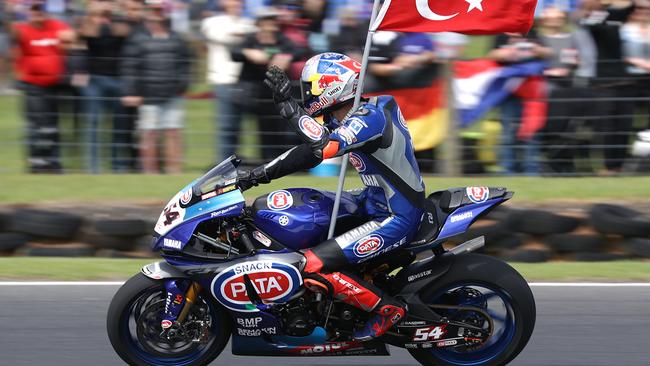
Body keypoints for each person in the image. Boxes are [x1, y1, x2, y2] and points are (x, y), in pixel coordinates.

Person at [238, 53, 426, 341]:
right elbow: (309, 153)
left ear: (332, 87)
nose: (307, 95)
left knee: (309, 264)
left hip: (395, 215)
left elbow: (325, 147)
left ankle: (387, 309)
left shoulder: (370, 117)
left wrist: (289, 108)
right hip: (372, 201)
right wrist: (256, 176)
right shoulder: (352, 116)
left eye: (310, 88)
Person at [120, 2, 191, 174]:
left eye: (160, 10)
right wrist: (131, 92)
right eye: (153, 10)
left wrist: (182, 86)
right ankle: (150, 173)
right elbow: (129, 67)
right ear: (147, 13)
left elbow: (185, 65)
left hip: (172, 94)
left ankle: (174, 172)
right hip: (148, 95)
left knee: (173, 133)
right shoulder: (137, 39)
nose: (156, 14)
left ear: (166, 13)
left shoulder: (176, 38)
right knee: (149, 134)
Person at [11, 2, 72, 173]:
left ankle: (53, 163)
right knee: (37, 127)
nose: (38, 13)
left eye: (41, 10)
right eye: (34, 10)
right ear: (28, 13)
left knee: (53, 127)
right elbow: (13, 34)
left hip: (55, 85)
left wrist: (70, 38)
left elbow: (69, 38)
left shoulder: (57, 26)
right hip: (33, 86)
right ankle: (37, 165)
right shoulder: (21, 29)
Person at [230, 8, 294, 162]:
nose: (270, 24)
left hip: (276, 92)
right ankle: (259, 162)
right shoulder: (251, 39)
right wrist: (248, 53)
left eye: (272, 20)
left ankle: (278, 162)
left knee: (278, 129)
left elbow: (298, 50)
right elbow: (234, 53)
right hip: (254, 93)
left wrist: (286, 57)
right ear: (259, 23)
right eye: (266, 20)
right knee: (257, 130)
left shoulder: (281, 39)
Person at [79, 0, 132, 173]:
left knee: (119, 125)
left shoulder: (119, 23)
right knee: (93, 124)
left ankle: (118, 166)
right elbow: (87, 32)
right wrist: (95, 14)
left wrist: (112, 13)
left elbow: (124, 31)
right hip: (95, 80)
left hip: (117, 79)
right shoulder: (89, 24)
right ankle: (93, 168)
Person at [201, 0, 254, 162]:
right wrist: (244, 35)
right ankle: (224, 164)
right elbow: (222, 37)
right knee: (226, 127)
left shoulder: (248, 22)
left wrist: (243, 35)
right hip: (223, 80)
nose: (235, 4)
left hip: (245, 81)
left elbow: (253, 36)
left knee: (240, 127)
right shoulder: (212, 22)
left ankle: (236, 163)